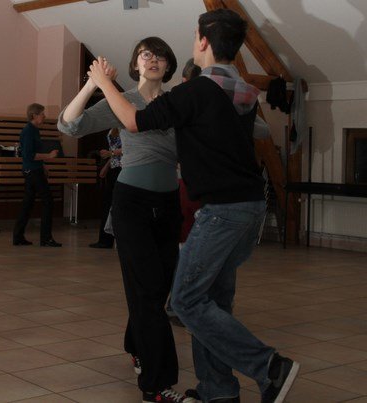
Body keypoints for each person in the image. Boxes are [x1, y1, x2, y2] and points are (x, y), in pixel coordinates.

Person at [88, 9, 299, 403]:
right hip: (250, 207)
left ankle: (269, 366)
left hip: (222, 211)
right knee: (213, 300)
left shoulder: (196, 91)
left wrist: (103, 83)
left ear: (202, 41)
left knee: (185, 301)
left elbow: (133, 121)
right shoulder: (243, 92)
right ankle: (218, 391)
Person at [59, 37, 189, 403]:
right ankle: (156, 384)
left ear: (168, 65)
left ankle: (136, 344)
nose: (153, 59)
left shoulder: (176, 103)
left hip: (168, 202)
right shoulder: (122, 100)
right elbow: (69, 125)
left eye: (160, 55)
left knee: (158, 288)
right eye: (146, 54)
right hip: (132, 203)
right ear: (135, 63)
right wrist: (93, 84)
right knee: (146, 289)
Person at [166, 59, 202, 328]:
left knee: (189, 248)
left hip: (193, 184)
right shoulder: (179, 105)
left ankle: (180, 303)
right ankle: (179, 304)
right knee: (187, 248)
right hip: (186, 185)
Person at [13, 103, 62, 247]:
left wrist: (43, 165)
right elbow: (29, 155)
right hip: (32, 171)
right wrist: (49, 156)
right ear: (34, 115)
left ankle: (18, 236)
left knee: (28, 203)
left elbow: (33, 154)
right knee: (48, 201)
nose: (44, 116)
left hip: (34, 169)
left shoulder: (34, 130)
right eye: (42, 114)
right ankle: (46, 238)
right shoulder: (29, 131)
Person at [89, 128, 122, 249]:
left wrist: (111, 153)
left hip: (124, 169)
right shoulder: (112, 130)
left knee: (118, 205)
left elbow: (130, 149)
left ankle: (116, 239)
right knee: (107, 204)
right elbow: (112, 152)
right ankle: (105, 240)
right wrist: (106, 167)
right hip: (114, 169)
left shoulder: (126, 128)